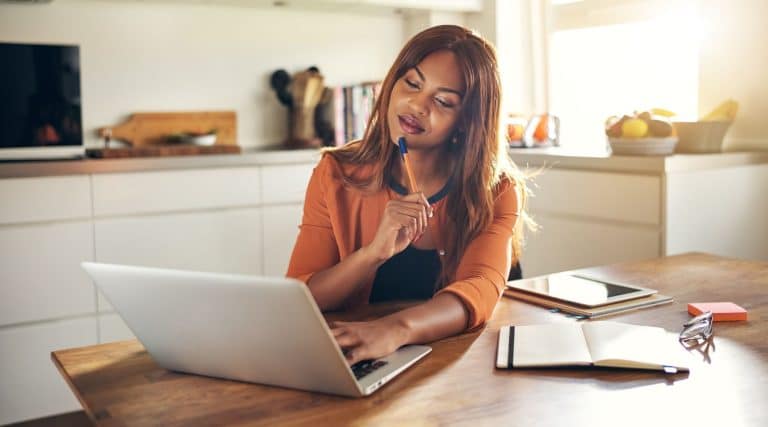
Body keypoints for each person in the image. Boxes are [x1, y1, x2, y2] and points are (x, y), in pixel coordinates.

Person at [286, 25, 533, 365]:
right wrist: (373, 253)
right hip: (361, 357)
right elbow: (301, 296)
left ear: (467, 122)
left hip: (459, 362)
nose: (417, 105)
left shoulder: (497, 190)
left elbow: (480, 287)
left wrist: (394, 329)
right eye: (412, 84)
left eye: (444, 101)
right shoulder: (335, 173)